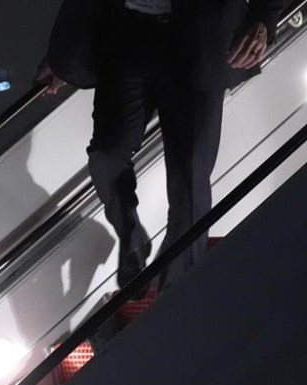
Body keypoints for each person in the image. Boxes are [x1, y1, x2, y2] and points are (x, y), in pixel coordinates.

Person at [36, 0, 282, 291]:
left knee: (189, 178)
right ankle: (132, 238)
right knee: (106, 155)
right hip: (127, 35)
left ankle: (177, 295)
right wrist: (65, 55)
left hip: (199, 40)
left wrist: (263, 17)